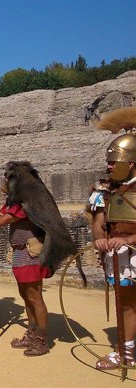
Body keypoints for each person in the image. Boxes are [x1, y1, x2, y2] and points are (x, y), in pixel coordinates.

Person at [0, 161, 74, 356]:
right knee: (26, 297)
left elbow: (1, 221)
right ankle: (32, 332)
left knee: (35, 297)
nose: (5, 181)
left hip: (30, 255)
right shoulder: (15, 203)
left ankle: (41, 339)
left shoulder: (25, 204)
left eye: (8, 178)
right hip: (20, 254)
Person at [90, 109, 136, 370]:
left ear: (130, 163)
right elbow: (98, 225)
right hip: (118, 255)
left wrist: (129, 237)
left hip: (132, 250)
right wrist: (100, 240)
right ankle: (126, 352)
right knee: (126, 303)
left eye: (113, 162)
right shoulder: (104, 194)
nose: (108, 166)